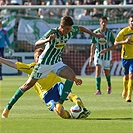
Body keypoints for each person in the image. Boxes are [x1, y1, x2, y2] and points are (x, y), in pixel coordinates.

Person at [3, 16, 103, 117]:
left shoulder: (70, 30)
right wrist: (48, 40)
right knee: (27, 86)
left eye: (70, 29)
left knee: (71, 76)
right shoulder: (52, 32)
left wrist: (94, 34)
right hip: (44, 64)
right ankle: (7, 108)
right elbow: (37, 43)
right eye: (67, 29)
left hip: (56, 62)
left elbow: (80, 28)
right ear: (61, 26)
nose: (69, 31)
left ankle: (60, 102)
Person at [1, 48, 90, 119]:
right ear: (35, 59)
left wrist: (74, 79)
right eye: (38, 56)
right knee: (60, 112)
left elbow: (63, 72)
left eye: (41, 55)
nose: (40, 57)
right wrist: (1, 59)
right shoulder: (32, 67)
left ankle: (83, 108)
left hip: (57, 85)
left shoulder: (51, 64)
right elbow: (14, 64)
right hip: (47, 94)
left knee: (70, 95)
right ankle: (71, 116)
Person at [89, 16, 115, 95]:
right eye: (102, 22)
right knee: (98, 69)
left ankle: (109, 85)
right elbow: (93, 45)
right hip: (98, 54)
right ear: (100, 22)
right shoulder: (95, 32)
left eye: (105, 22)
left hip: (106, 55)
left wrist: (106, 50)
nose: (103, 23)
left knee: (106, 72)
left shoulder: (109, 33)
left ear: (107, 23)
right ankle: (98, 90)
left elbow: (114, 45)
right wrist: (91, 58)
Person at [114, 15, 133, 102]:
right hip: (125, 57)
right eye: (131, 21)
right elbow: (115, 43)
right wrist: (124, 42)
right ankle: (125, 89)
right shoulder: (124, 31)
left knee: (131, 76)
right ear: (129, 22)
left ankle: (129, 95)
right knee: (126, 77)